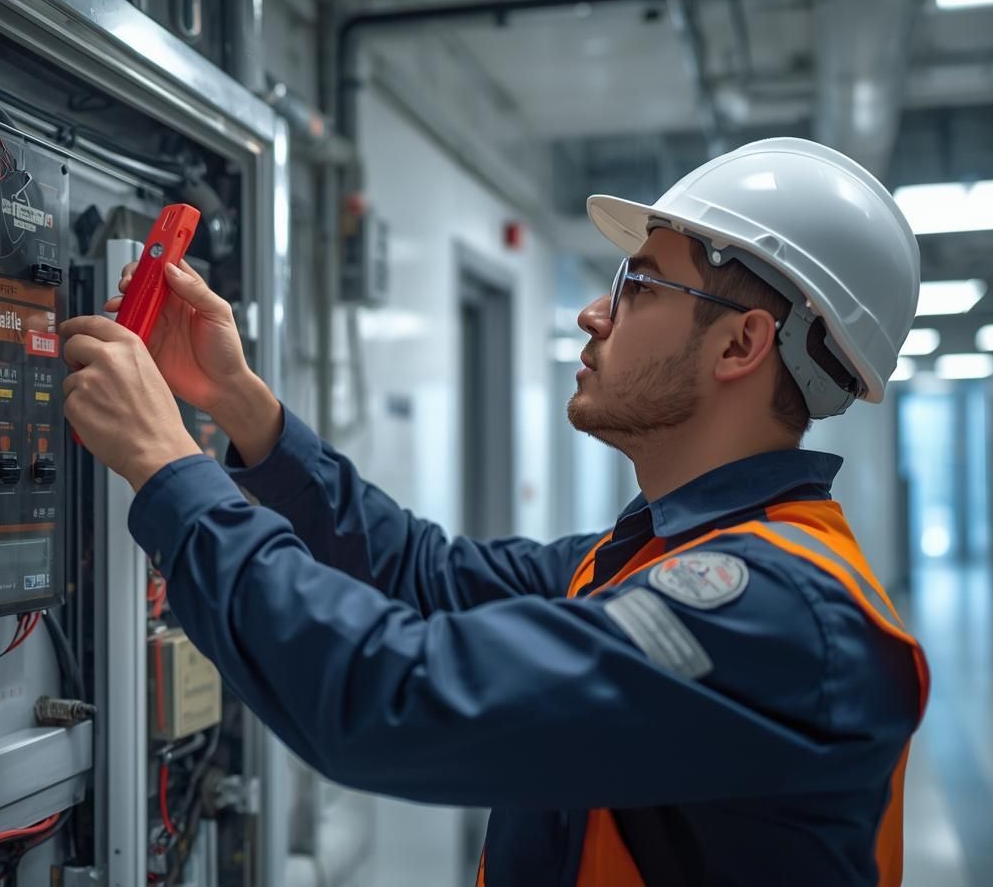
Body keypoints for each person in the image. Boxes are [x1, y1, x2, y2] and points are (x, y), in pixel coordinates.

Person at [57, 137, 930, 886]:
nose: (594, 313)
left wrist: (170, 469)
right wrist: (242, 407)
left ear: (741, 343)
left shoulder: (771, 615)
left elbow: (396, 696)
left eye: (640, 284)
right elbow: (421, 573)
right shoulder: (638, 561)